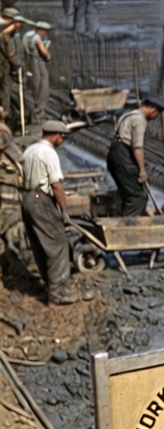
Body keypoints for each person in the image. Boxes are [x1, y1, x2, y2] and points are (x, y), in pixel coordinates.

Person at [22, 121, 93, 306]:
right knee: (58, 242)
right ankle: (58, 292)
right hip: (41, 199)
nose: (62, 140)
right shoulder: (49, 152)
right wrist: (64, 211)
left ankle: (50, 285)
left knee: (40, 244)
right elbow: (56, 185)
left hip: (27, 198)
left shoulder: (29, 150)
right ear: (55, 135)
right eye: (62, 136)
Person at [106, 96, 164, 217]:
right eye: (157, 114)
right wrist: (142, 171)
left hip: (114, 154)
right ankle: (127, 225)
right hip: (122, 156)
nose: (155, 117)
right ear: (153, 110)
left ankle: (116, 217)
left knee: (125, 191)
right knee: (138, 196)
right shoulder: (139, 120)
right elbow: (137, 147)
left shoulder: (129, 114)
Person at [21, 21, 51, 124]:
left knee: (37, 90)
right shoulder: (37, 38)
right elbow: (45, 53)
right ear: (40, 30)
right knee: (43, 90)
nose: (46, 33)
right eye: (45, 31)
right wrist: (47, 52)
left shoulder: (29, 36)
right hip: (38, 64)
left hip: (33, 64)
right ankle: (37, 116)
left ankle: (36, 116)